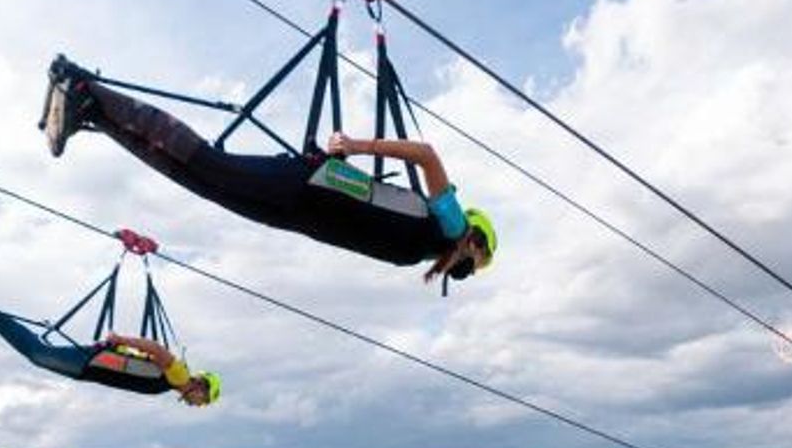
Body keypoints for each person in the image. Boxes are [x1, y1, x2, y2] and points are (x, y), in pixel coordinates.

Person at [38, 55, 496, 286]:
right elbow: (428, 155)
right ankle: (83, 85)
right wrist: (356, 145)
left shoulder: (422, 252)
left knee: (200, 181)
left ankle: (91, 112)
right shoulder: (449, 225)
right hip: (309, 189)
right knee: (207, 165)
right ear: (471, 241)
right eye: (474, 263)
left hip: (302, 213)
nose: (466, 273)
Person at [0, 297, 220, 406]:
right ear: (200, 387)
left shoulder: (174, 383)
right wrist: (121, 339)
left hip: (93, 366)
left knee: (39, 353)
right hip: (93, 363)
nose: (198, 405)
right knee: (38, 354)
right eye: (203, 400)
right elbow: (157, 350)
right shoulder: (180, 377)